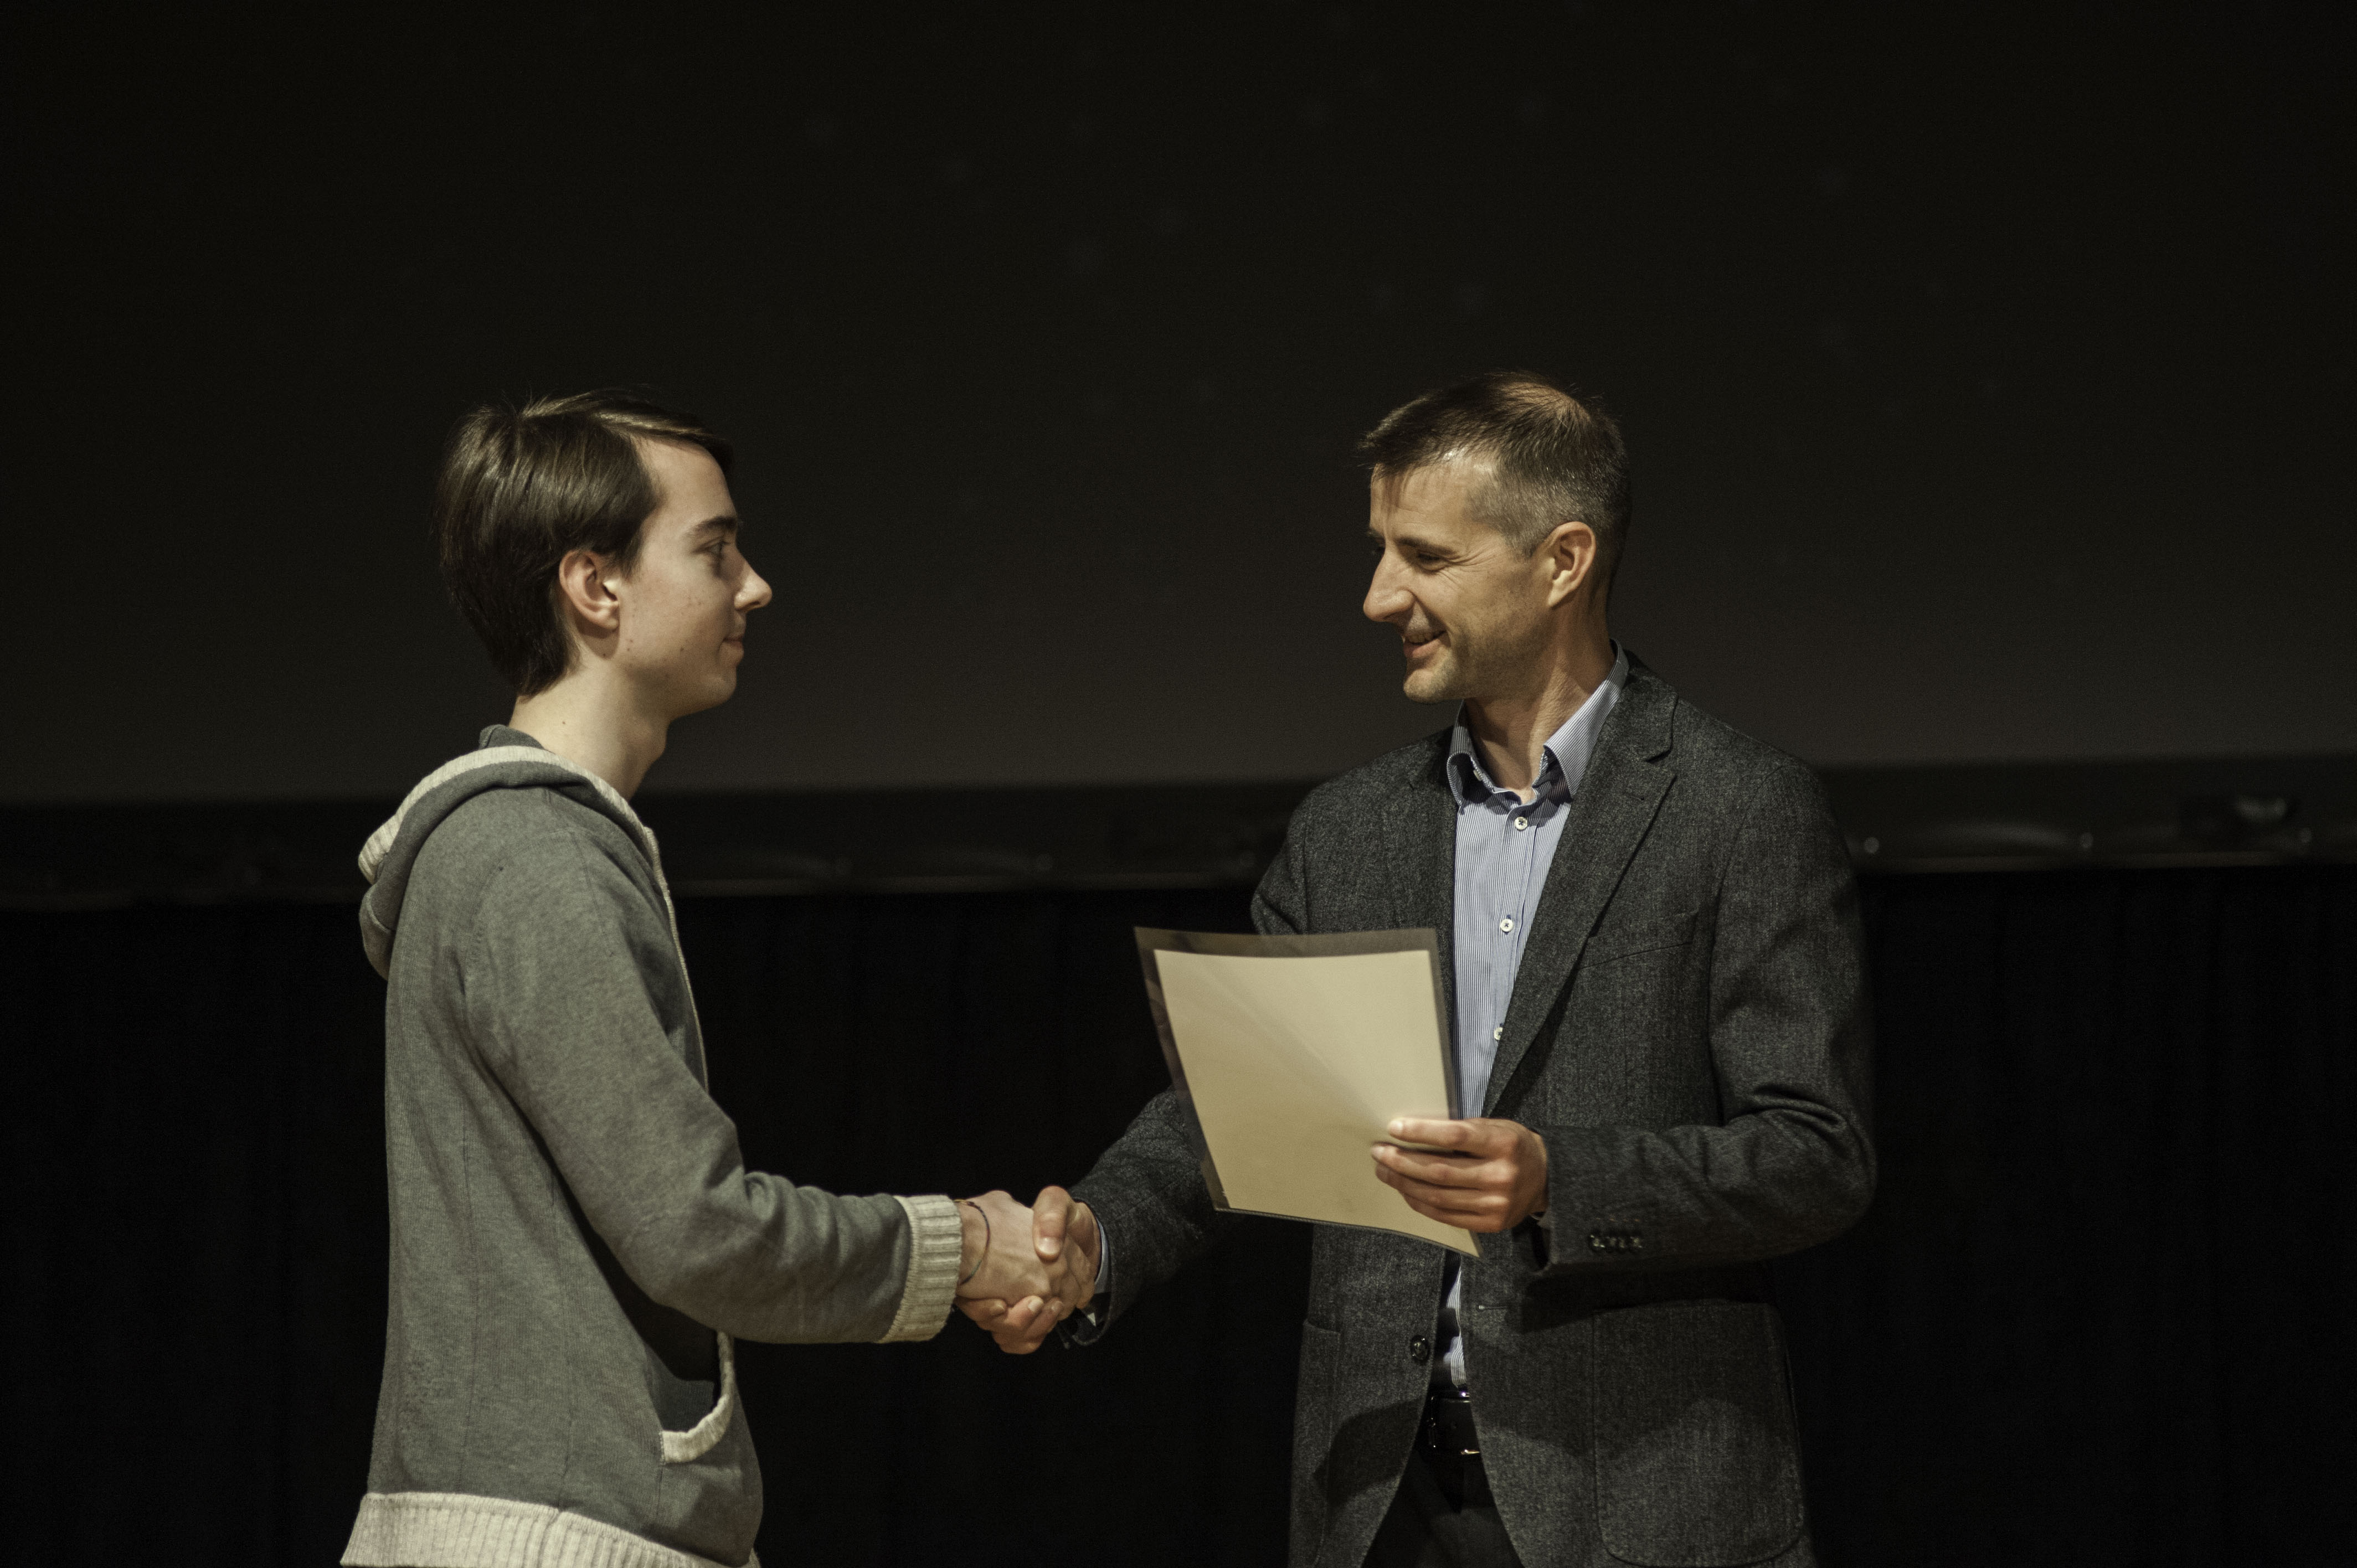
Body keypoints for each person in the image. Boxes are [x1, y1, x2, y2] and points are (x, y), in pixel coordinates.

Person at [967, 372, 1875, 1567]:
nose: (1378, 595)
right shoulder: (1347, 833)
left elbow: (1815, 1153)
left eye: (1426, 558)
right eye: (1380, 550)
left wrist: (1558, 1182)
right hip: (1381, 1505)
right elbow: (1232, 1111)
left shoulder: (1738, 809)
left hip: (1641, 1505)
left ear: (1562, 562)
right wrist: (1100, 1239)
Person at [343, 390, 1089, 1568]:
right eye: (716, 551)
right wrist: (962, 1245)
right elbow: (694, 1230)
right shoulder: (533, 858)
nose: (755, 588)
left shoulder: (543, 849)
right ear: (595, 587)